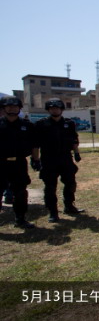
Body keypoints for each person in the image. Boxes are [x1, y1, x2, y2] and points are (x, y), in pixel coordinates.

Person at [35, 98, 84, 222]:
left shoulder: (69, 123)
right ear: (48, 110)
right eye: (52, 108)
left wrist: (76, 153)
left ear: (61, 109)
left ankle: (69, 206)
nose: (55, 110)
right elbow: (35, 144)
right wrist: (35, 159)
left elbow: (74, 140)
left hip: (66, 158)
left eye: (57, 108)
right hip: (49, 159)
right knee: (50, 186)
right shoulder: (41, 124)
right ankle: (53, 212)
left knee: (70, 183)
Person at [0, 97, 39, 228]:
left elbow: (34, 144)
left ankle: (20, 219)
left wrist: (35, 159)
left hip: (19, 164)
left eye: (15, 107)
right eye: (9, 107)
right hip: (0, 164)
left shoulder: (27, 126)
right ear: (4, 108)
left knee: (21, 192)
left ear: (19, 108)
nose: (12, 109)